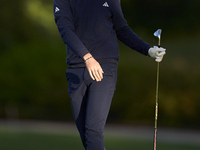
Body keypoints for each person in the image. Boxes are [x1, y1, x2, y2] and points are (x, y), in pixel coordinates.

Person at [53, 0, 166, 150]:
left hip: (105, 67)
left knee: (93, 131)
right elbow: (65, 30)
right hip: (76, 69)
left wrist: (147, 49)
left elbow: (121, 29)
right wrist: (87, 57)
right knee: (86, 136)